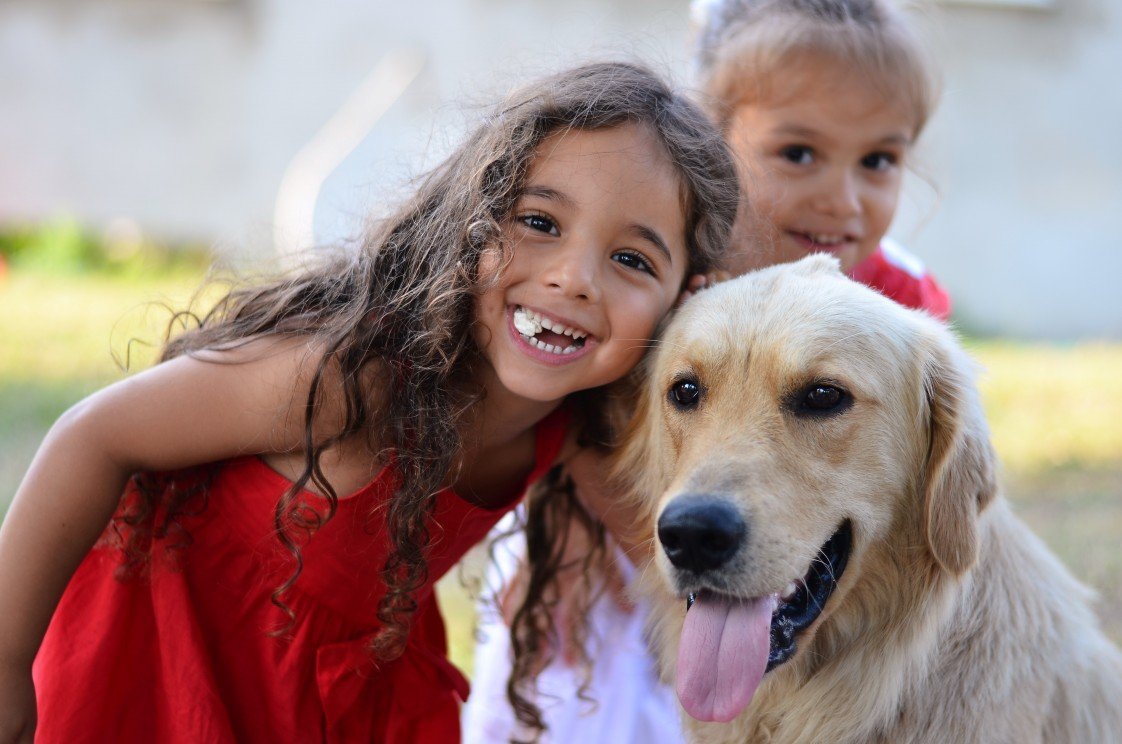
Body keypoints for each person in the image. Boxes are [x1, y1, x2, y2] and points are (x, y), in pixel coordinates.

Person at [0, 61, 740, 744]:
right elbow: (93, 435)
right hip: (176, 664)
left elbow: (673, 555)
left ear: (682, 300)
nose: (575, 278)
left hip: (341, 695)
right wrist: (5, 665)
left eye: (632, 260)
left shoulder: (575, 425)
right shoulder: (347, 380)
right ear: (468, 219)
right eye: (539, 223)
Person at [463, 1, 952, 741]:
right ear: (712, 143)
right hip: (621, 586)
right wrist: (561, 539)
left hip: (777, 580)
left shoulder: (900, 303)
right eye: (799, 153)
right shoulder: (663, 272)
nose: (843, 200)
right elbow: (581, 419)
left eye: (878, 161)